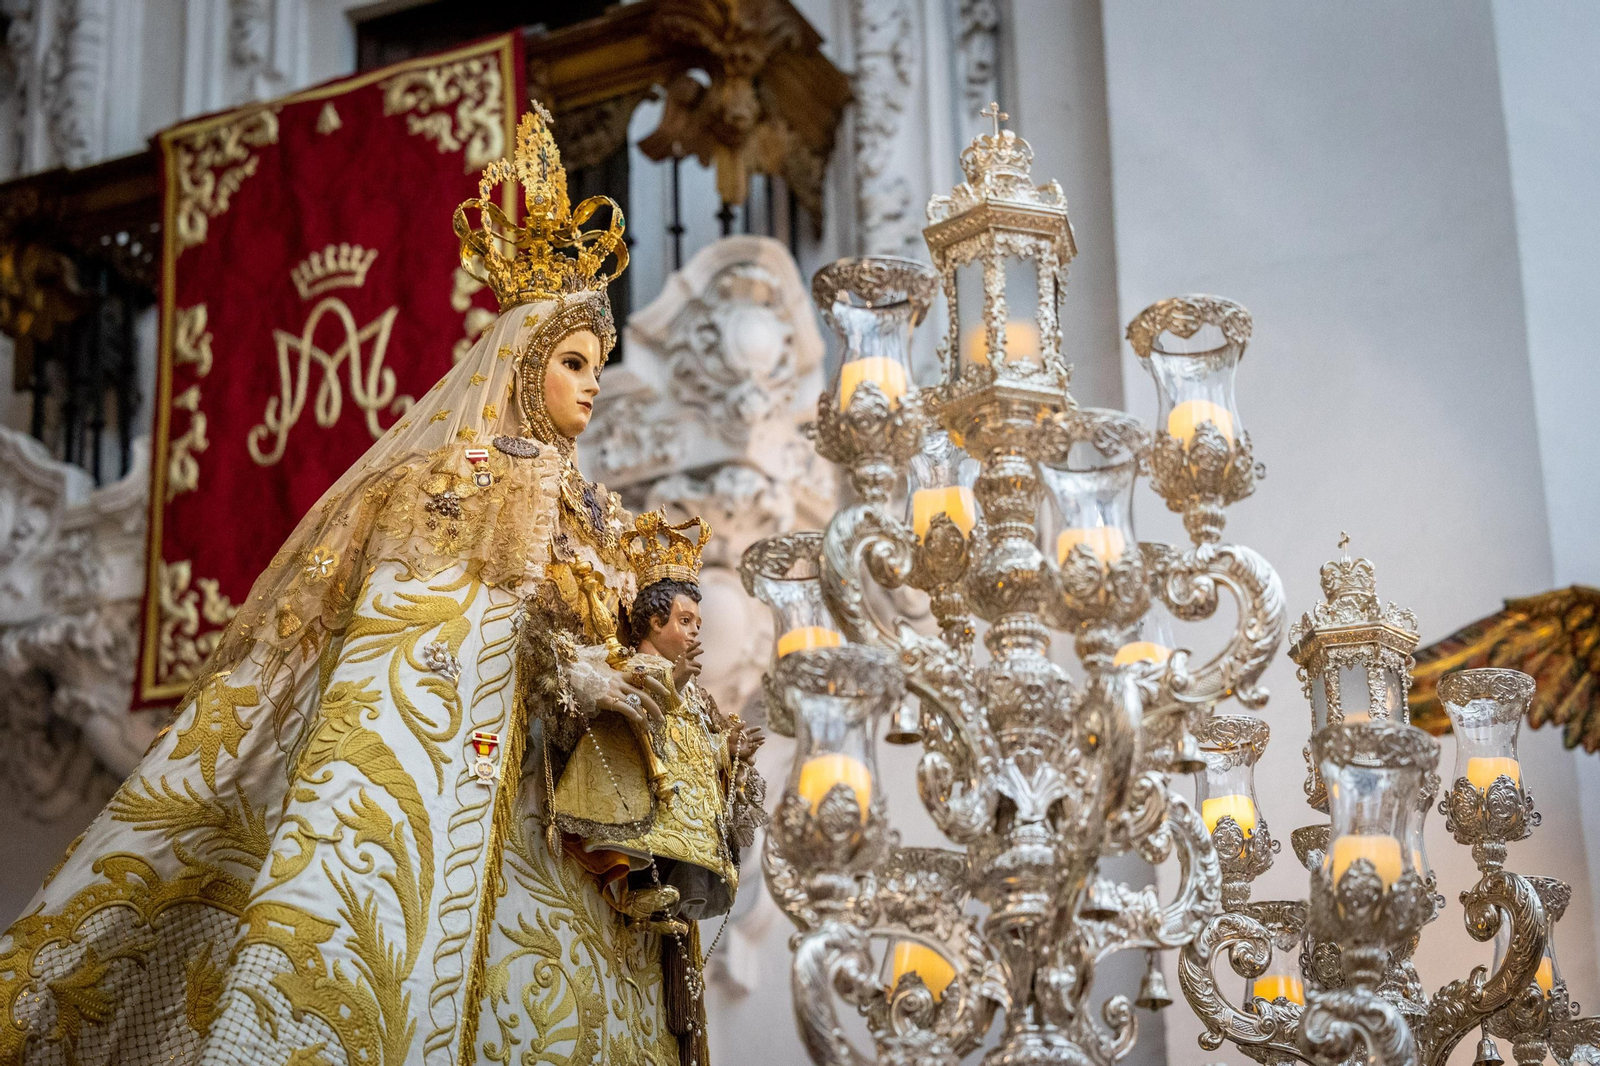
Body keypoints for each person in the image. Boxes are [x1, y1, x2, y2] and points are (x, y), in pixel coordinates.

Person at [0, 104, 758, 1066]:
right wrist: (574, 678)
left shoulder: (608, 524)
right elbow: (424, 653)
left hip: (587, 855)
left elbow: (630, 655)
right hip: (491, 826)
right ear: (520, 366)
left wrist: (685, 729)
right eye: (571, 360)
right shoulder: (456, 485)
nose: (591, 383)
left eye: (598, 363)